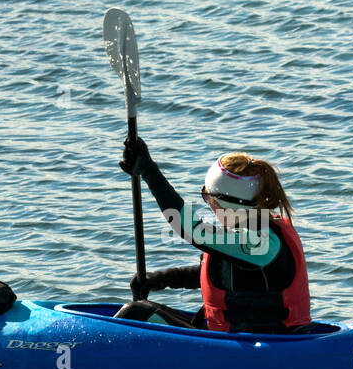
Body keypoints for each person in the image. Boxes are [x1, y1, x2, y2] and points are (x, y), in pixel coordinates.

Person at [115, 137, 311, 333]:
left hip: (265, 345)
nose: (208, 205)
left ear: (226, 203)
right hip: (233, 337)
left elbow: (193, 230)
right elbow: (220, 273)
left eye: (207, 197)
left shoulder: (262, 242)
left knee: (135, 313)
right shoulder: (252, 231)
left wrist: (149, 171)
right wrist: (162, 279)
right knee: (142, 314)